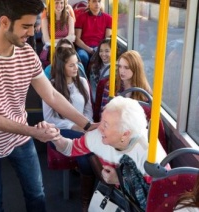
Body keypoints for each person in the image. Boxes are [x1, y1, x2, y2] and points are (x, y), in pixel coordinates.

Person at [0, 0, 97, 211]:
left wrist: (87, 125)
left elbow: (52, 95)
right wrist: (32, 132)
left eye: (33, 25)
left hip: (19, 137)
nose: (32, 32)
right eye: (26, 26)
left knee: (37, 194)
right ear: (4, 22)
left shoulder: (27, 54)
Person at [37, 96, 167, 211]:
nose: (99, 127)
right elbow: (70, 148)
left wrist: (122, 180)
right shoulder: (97, 136)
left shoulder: (150, 156)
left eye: (105, 124)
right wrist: (56, 138)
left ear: (125, 133)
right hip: (117, 197)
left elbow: (160, 201)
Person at [43, 47, 93, 133]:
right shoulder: (50, 86)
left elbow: (88, 110)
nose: (76, 68)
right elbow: (48, 118)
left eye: (76, 63)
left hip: (82, 128)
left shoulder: (82, 82)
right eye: (71, 65)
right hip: (62, 130)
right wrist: (72, 126)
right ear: (61, 67)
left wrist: (86, 125)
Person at [75, 0, 112, 69]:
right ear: (89, 2)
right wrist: (90, 50)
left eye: (99, 1)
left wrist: (99, 50)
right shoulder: (81, 17)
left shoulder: (108, 18)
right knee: (83, 56)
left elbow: (107, 40)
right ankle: (84, 77)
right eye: (94, 1)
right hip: (84, 47)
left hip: (100, 47)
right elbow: (77, 39)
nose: (97, 4)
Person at [40, 0, 75, 67]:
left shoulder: (69, 18)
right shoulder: (45, 20)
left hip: (67, 47)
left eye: (61, 3)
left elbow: (72, 38)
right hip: (52, 48)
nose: (59, 5)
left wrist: (54, 41)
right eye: (56, 3)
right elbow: (46, 40)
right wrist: (66, 39)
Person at [88, 37, 118, 103]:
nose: (103, 54)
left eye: (107, 51)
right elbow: (93, 89)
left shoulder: (119, 68)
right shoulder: (94, 68)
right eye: (101, 51)